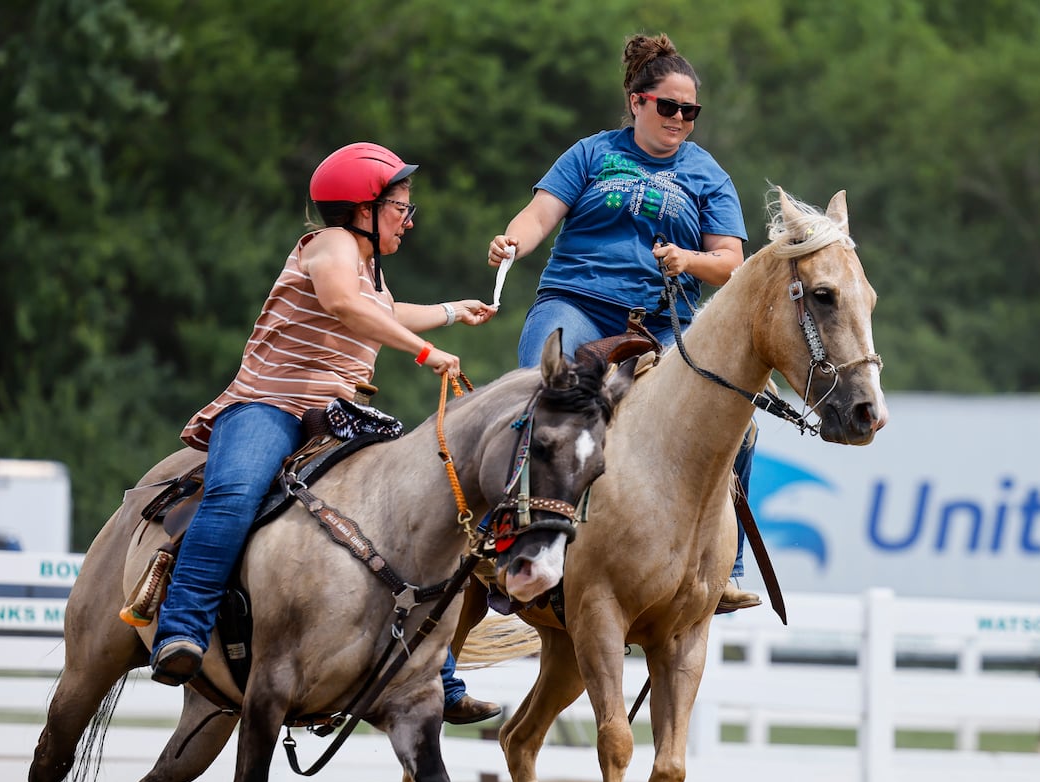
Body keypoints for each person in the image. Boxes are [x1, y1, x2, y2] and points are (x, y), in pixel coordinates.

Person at [149, 141, 502, 726]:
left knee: (410, 509)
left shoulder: (363, 264)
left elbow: (379, 308)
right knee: (235, 494)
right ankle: (180, 629)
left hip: (339, 413)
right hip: (271, 405)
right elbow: (343, 304)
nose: (408, 221)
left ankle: (437, 674)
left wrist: (447, 310)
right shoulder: (333, 244)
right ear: (362, 209)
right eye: (400, 208)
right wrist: (424, 352)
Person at [485, 32, 760, 613]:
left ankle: (725, 565)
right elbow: (539, 214)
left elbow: (731, 263)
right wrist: (513, 242)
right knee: (539, 394)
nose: (680, 119)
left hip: (663, 323)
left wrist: (688, 261)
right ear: (637, 101)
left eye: (691, 111)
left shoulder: (708, 174)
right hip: (577, 302)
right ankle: (500, 539)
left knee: (740, 417)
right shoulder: (590, 153)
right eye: (669, 106)